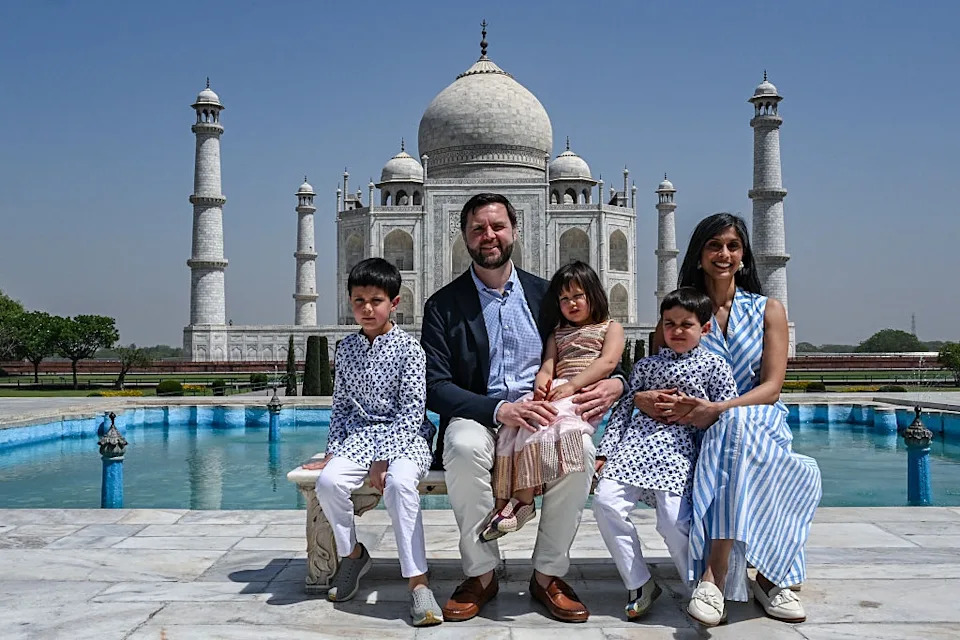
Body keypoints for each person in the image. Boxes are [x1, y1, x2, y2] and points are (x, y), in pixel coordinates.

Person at [421, 193, 626, 623]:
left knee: (581, 453)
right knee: (460, 446)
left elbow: (592, 342)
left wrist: (616, 382)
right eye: (478, 228)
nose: (489, 236)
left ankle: (548, 575)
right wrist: (499, 410)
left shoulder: (545, 294)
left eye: (497, 226)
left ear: (515, 230)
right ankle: (482, 573)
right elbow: (436, 387)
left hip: (544, 413)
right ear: (463, 236)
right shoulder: (443, 304)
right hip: (482, 414)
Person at [638, 213, 821, 626]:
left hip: (757, 420)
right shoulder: (679, 313)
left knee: (735, 430)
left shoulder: (767, 310)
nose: (724, 254)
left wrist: (718, 410)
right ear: (699, 255)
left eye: (732, 246)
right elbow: (656, 374)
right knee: (736, 440)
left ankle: (714, 577)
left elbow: (772, 387)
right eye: (714, 246)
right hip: (692, 430)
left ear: (744, 256)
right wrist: (644, 398)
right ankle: (771, 581)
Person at [303, 258, 443, 627]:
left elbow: (413, 412)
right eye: (359, 300)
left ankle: (417, 582)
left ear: (394, 303)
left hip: (407, 437)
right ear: (350, 301)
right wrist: (333, 451)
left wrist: (383, 458)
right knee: (328, 483)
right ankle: (352, 555)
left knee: (398, 485)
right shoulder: (346, 349)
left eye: (375, 300)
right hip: (360, 437)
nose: (367, 309)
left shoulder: (410, 349)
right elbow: (341, 407)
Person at [592, 287, 738, 620]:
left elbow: (727, 415)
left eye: (686, 324)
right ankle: (639, 581)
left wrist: (696, 414)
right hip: (635, 447)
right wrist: (605, 452)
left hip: (679, 452)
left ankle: (701, 591)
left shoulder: (715, 367)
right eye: (669, 323)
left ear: (705, 328)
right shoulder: (646, 366)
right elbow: (623, 411)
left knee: (673, 521)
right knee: (605, 503)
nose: (676, 331)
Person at [481, 261, 624, 541]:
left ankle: (522, 500)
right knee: (519, 424)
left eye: (577, 296)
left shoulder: (611, 328)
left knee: (542, 424)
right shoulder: (557, 334)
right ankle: (511, 501)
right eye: (564, 299)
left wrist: (571, 385)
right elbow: (547, 366)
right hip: (558, 392)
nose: (571, 303)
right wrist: (541, 386)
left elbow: (607, 363)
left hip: (582, 395)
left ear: (594, 294)